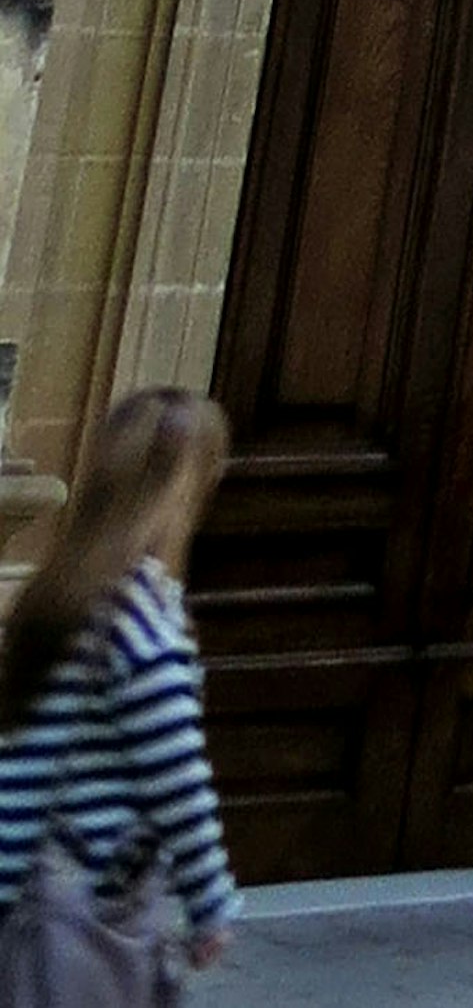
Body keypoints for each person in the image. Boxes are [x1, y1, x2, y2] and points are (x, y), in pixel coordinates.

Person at [0, 393, 239, 993]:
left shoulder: (62, 593)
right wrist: (210, 899)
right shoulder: (139, 623)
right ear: (181, 494)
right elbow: (177, 776)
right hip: (70, 906)